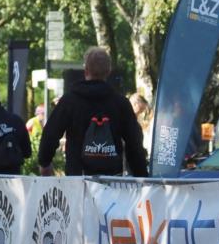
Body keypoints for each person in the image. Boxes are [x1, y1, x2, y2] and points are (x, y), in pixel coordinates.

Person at [38, 47, 148, 177]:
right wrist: (141, 175)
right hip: (111, 180)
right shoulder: (120, 103)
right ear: (108, 71)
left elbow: (50, 134)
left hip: (77, 179)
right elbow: (134, 143)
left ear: (86, 70)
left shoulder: (70, 101)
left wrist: (45, 162)